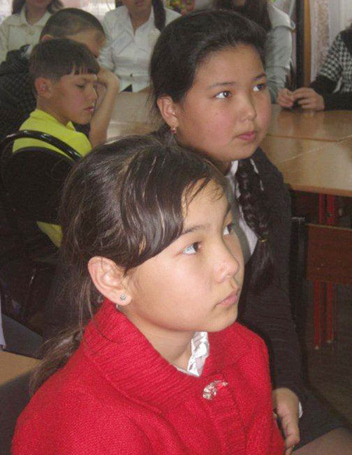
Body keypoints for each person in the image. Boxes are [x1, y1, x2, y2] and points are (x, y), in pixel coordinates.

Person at [149, 10, 352, 454]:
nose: (250, 110)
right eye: (224, 94)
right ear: (170, 109)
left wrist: (285, 384)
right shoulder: (140, 194)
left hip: (246, 369)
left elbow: (273, 305)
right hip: (163, 397)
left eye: (258, 87)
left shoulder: (260, 177)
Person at [12, 136, 284, 455]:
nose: (231, 263)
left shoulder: (245, 351)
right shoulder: (90, 427)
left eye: (227, 228)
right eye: (193, 247)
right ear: (114, 278)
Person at [13, 38, 116, 247]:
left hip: (43, 243)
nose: (93, 95)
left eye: (94, 85)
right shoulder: (72, 141)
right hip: (83, 244)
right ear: (44, 87)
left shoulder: (24, 132)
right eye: (81, 86)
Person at [0, 8, 118, 142]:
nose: (90, 64)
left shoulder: (23, 64)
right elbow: (92, 143)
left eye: (94, 57)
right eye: (79, 53)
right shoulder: (27, 84)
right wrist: (113, 85)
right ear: (48, 43)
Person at [213, 0, 294, 103]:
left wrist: (234, 97)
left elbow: (274, 87)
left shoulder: (277, 22)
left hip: (257, 108)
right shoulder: (209, 19)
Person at [98, 0, 180, 92]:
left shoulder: (172, 22)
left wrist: (144, 95)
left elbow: (175, 72)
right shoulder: (111, 19)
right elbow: (104, 64)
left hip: (156, 94)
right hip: (116, 93)